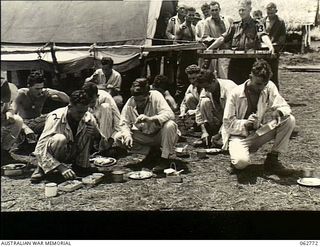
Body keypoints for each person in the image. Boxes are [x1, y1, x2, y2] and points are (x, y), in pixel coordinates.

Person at [223, 60, 295, 171]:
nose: (261, 87)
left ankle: (273, 159)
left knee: (289, 120)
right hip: (238, 136)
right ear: (250, 76)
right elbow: (227, 124)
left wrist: (279, 112)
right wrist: (245, 123)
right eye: (258, 84)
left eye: (264, 84)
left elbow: (285, 107)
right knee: (241, 163)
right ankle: (236, 158)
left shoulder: (269, 86)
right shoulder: (235, 93)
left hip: (258, 133)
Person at [31, 90, 105, 183]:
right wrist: (61, 168)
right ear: (70, 107)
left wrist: (96, 135)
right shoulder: (56, 117)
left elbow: (103, 145)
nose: (82, 115)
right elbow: (39, 149)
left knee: (89, 129)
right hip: (57, 152)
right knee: (59, 139)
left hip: (74, 152)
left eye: (84, 111)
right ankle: (42, 168)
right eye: (79, 112)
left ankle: (81, 166)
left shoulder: (88, 117)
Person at [114, 78, 179, 172]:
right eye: (137, 100)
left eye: (142, 100)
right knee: (119, 137)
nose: (139, 103)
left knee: (170, 125)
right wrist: (127, 135)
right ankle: (151, 152)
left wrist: (151, 119)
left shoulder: (156, 95)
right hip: (145, 136)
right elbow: (124, 122)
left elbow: (170, 114)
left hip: (160, 135)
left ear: (148, 95)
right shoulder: (130, 101)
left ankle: (165, 159)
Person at [207, 0, 275, 85]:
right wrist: (209, 48)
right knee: (233, 86)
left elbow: (263, 35)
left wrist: (270, 46)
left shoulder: (257, 24)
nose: (241, 12)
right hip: (235, 62)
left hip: (249, 62)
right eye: (239, 10)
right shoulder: (235, 25)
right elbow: (222, 38)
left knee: (249, 87)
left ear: (250, 9)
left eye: (243, 10)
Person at [12, 71, 69, 149]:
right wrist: (25, 128)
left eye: (41, 88)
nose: (39, 91)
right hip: (23, 124)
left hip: (37, 122)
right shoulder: (21, 94)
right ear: (29, 86)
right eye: (37, 88)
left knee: (59, 115)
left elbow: (67, 100)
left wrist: (57, 92)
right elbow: (13, 114)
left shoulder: (43, 93)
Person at [194, 69, 236, 147]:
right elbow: (199, 110)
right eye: (204, 88)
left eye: (207, 87)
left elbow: (231, 116)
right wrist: (204, 131)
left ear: (214, 81)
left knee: (226, 143)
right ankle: (210, 134)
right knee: (204, 101)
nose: (206, 90)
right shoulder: (207, 88)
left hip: (235, 119)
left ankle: (221, 136)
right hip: (221, 117)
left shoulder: (229, 89)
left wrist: (219, 135)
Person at [82, 82, 121, 153]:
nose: (90, 104)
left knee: (105, 107)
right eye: (88, 102)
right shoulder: (83, 98)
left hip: (107, 131)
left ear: (97, 96)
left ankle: (104, 147)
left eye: (92, 102)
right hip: (94, 132)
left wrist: (110, 142)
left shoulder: (106, 97)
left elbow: (118, 122)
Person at [202, 1, 233, 78]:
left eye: (216, 10)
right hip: (215, 50)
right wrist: (216, 40)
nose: (215, 12)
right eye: (212, 10)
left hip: (228, 50)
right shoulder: (207, 22)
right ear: (209, 11)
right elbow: (205, 37)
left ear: (220, 9)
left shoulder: (227, 19)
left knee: (228, 74)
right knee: (216, 75)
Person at [175, 6, 198, 104]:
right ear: (185, 15)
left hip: (193, 55)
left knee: (193, 78)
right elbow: (176, 41)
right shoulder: (181, 27)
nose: (191, 17)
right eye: (190, 15)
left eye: (193, 15)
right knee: (182, 80)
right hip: (184, 56)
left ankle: (190, 102)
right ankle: (180, 103)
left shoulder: (193, 27)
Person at [262, 2, 286, 89]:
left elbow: (282, 37)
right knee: (262, 73)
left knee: (273, 74)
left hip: (274, 51)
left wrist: (275, 46)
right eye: (268, 13)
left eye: (272, 13)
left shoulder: (280, 22)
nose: (270, 15)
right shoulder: (262, 21)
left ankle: (275, 95)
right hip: (262, 51)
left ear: (276, 11)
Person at [1, 76, 23, 165]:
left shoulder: (4, 93)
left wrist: (9, 113)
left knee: (18, 120)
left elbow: (9, 108)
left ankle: (4, 151)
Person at [165, 4, 187, 88]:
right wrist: (173, 38)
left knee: (183, 67)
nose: (182, 10)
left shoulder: (187, 19)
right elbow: (167, 32)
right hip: (175, 47)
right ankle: (173, 86)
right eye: (181, 8)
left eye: (184, 9)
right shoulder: (173, 20)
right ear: (177, 9)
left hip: (185, 47)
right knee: (173, 67)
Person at [179, 64, 201, 130]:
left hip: (209, 111)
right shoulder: (191, 86)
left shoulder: (205, 85)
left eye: (194, 78)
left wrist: (195, 111)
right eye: (190, 79)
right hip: (198, 110)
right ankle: (197, 122)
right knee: (189, 97)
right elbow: (184, 102)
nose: (192, 81)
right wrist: (182, 112)